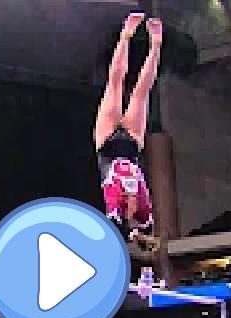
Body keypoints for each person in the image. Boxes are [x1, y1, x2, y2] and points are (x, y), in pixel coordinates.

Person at [94, 12, 163, 252]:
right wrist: (141, 232)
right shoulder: (145, 215)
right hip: (132, 145)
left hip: (108, 145)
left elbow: (113, 226)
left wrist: (128, 228)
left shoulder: (114, 212)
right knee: (141, 92)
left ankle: (126, 36)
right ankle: (155, 44)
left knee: (115, 84)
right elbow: (145, 230)